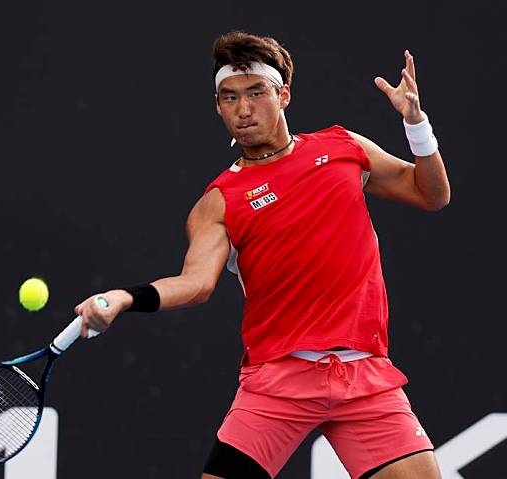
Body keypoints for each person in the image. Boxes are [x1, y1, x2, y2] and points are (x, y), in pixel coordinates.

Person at [75, 31, 449, 479]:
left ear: (283, 95)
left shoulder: (343, 148)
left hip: (365, 377)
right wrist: (124, 297)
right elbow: (196, 283)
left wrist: (416, 124)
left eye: (256, 92)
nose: (243, 109)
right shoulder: (220, 201)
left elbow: (432, 194)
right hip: (278, 382)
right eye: (229, 98)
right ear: (217, 106)